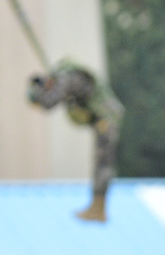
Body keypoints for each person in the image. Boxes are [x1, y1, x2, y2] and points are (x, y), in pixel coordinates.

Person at [27, 59, 124, 222]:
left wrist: (39, 95)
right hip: (102, 117)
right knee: (101, 163)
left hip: (106, 118)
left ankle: (98, 208)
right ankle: (96, 206)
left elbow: (49, 102)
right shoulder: (66, 79)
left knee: (103, 164)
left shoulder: (66, 79)